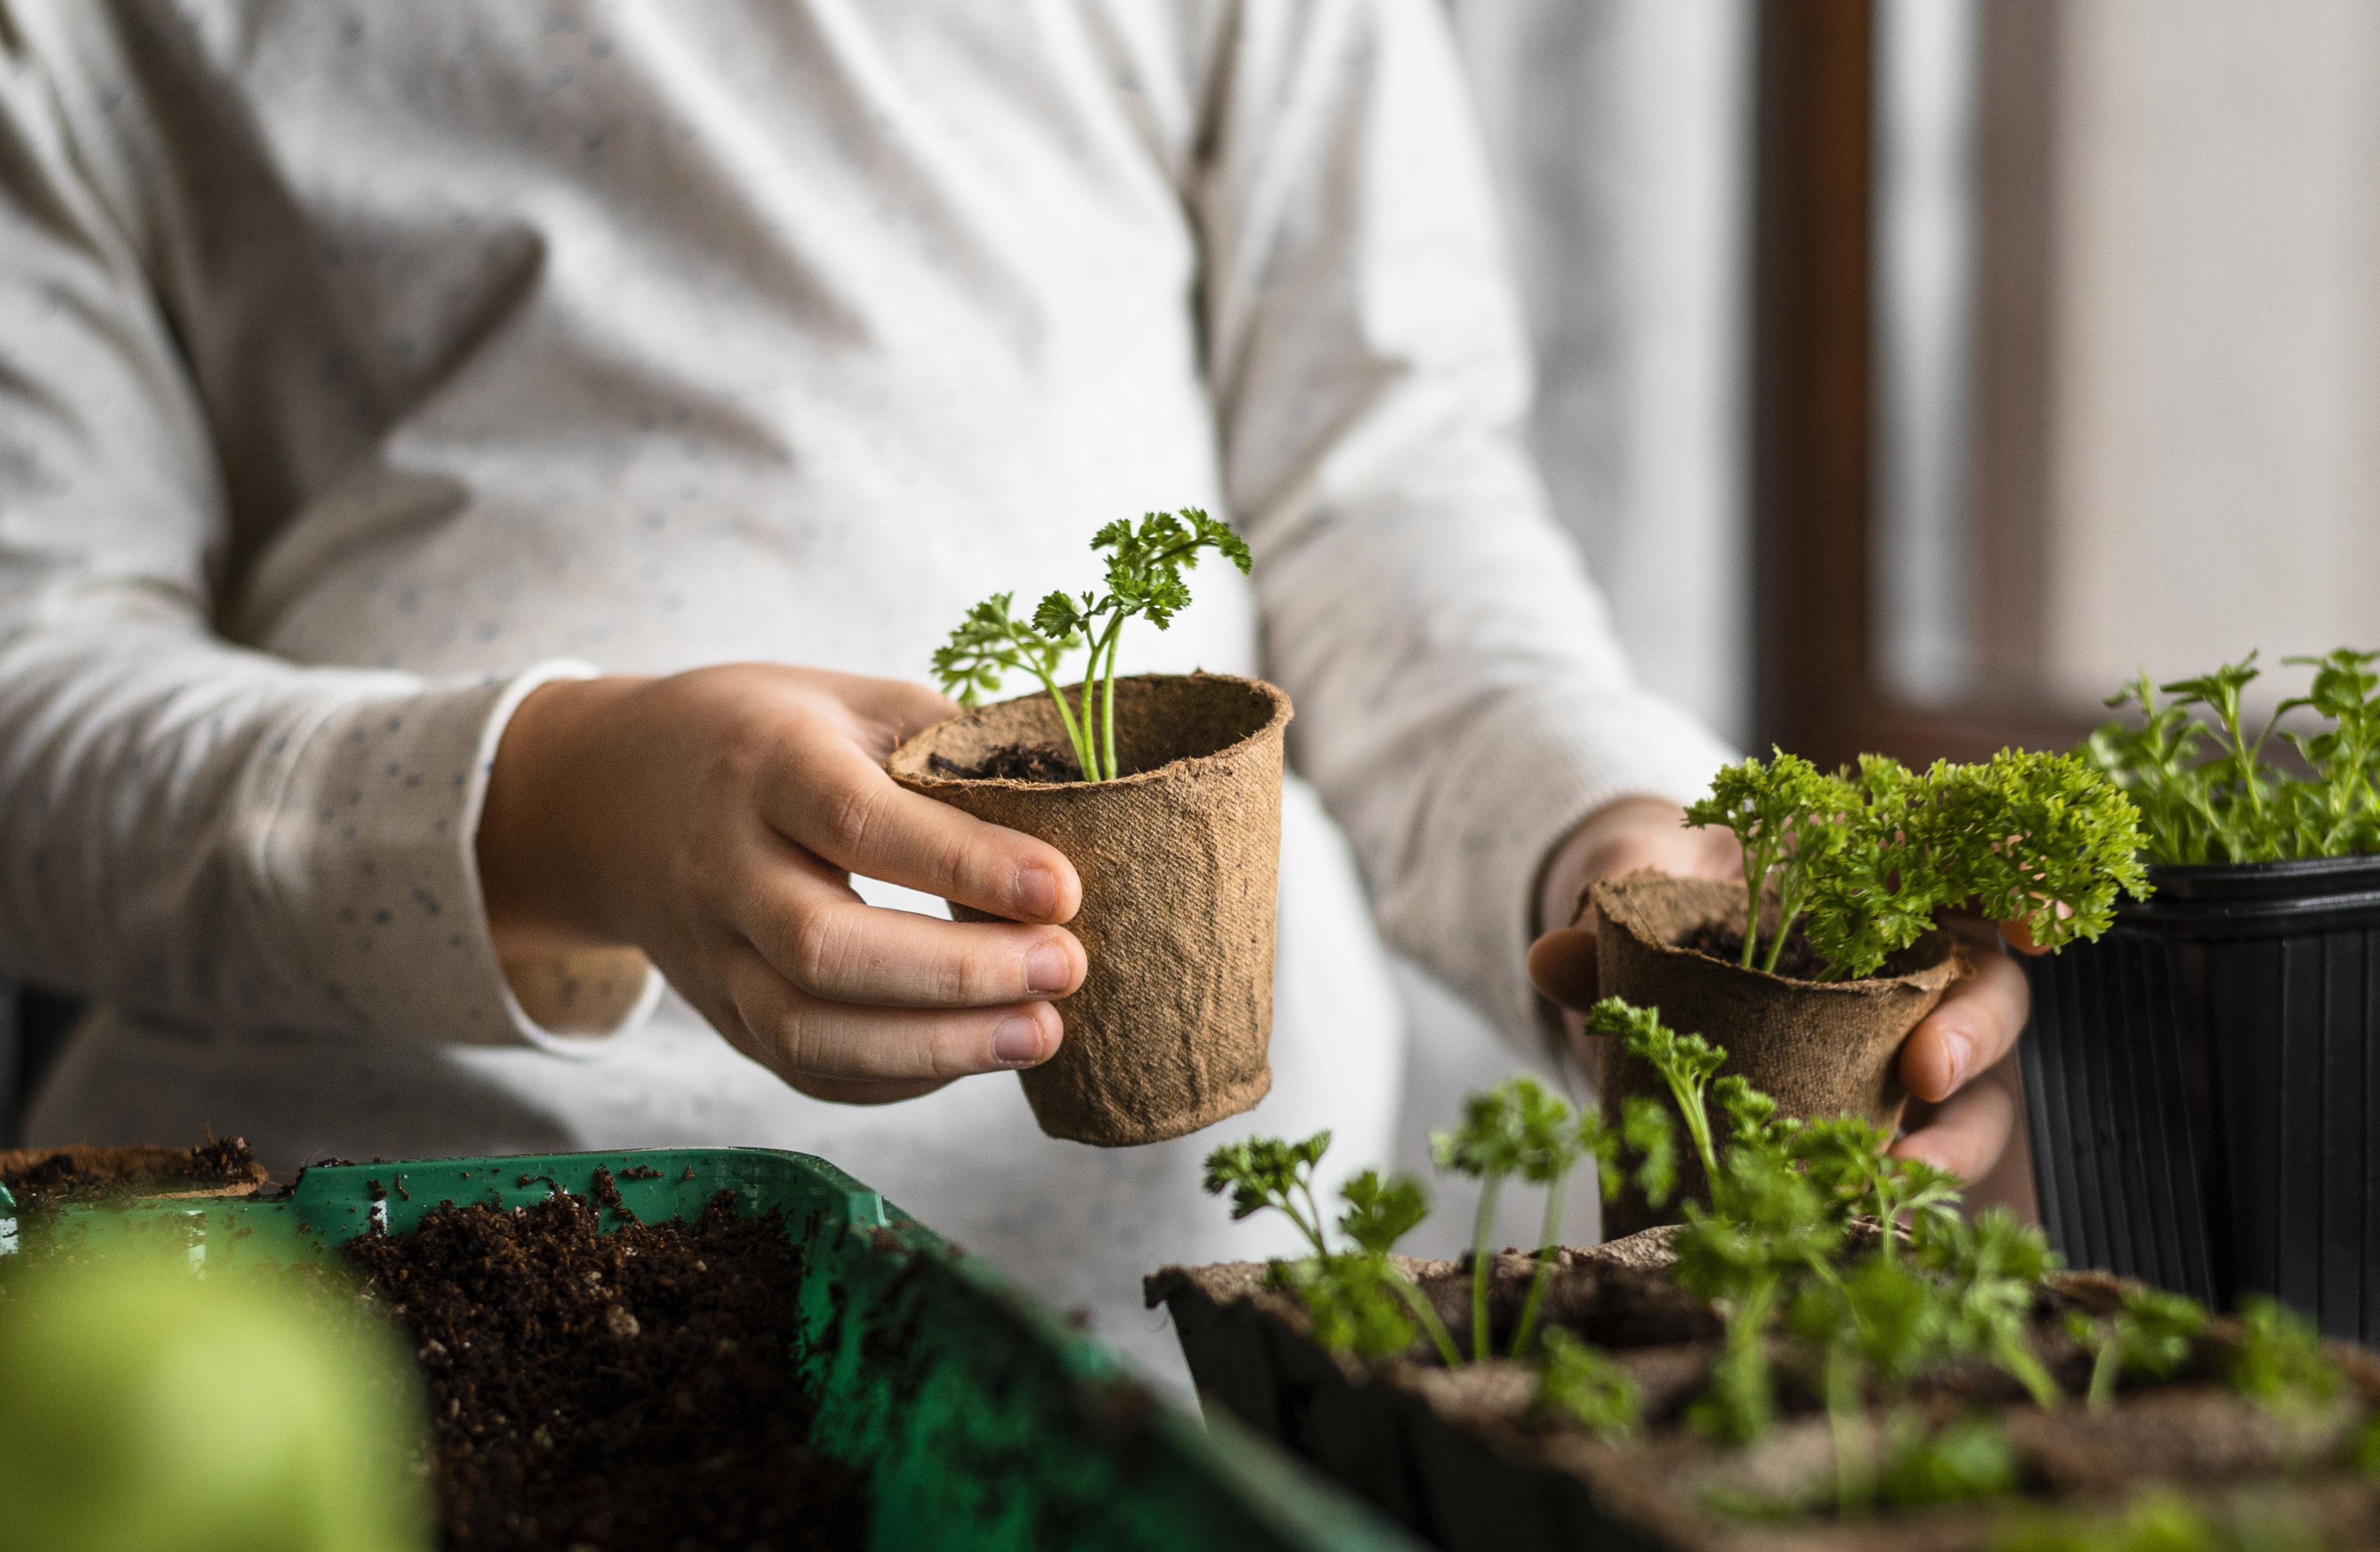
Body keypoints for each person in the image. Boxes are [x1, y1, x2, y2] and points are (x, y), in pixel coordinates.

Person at [0, 1, 2025, 1385]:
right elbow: (33, 706)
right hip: (358, 1300)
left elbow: (1389, 511)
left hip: (1189, 1336)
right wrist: (565, 803)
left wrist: (1628, 859)